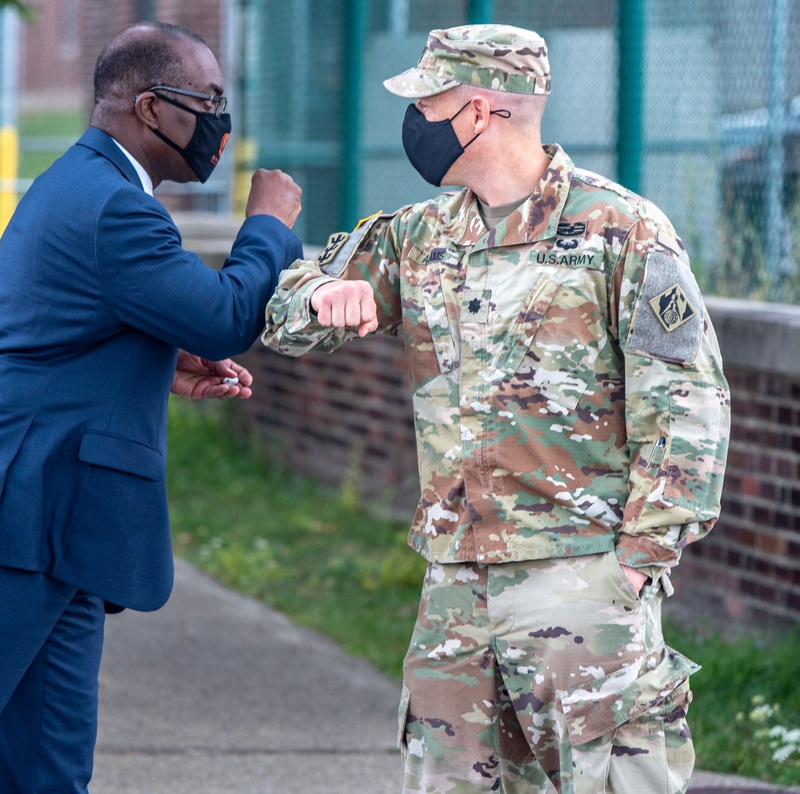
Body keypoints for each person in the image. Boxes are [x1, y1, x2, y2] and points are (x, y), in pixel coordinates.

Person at [0, 21, 302, 794]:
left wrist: (149, 364)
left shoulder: (87, 187)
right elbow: (221, 315)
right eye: (208, 100)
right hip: (3, 521)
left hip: (62, 535)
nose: (221, 119)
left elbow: (54, 332)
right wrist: (268, 227)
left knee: (43, 774)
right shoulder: (112, 206)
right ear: (150, 107)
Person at [263, 23, 729, 794]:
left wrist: (638, 568)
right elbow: (283, 314)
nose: (415, 120)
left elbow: (688, 408)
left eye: (429, 101)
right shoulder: (419, 235)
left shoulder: (622, 231)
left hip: (580, 581)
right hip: (455, 586)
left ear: (479, 111)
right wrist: (321, 292)